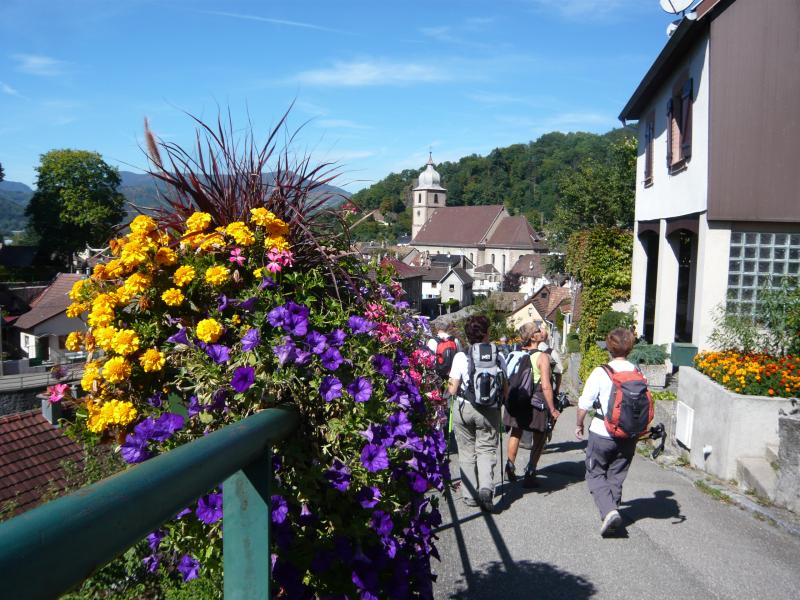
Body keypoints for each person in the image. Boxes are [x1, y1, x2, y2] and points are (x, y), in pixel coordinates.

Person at [575, 327, 639, 537]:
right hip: (628, 434)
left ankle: (609, 511)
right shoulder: (637, 371)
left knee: (594, 472)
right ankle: (611, 512)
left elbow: (584, 403)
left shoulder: (602, 371)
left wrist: (579, 424)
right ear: (630, 347)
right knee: (616, 475)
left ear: (609, 348)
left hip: (602, 432)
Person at [448, 315, 504, 511]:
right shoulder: (498, 355)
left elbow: (452, 389)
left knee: (466, 451)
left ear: (467, 335)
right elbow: (505, 388)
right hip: (489, 411)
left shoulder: (461, 356)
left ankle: (470, 496)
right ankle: (487, 488)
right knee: (486, 449)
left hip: (464, 408)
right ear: (487, 333)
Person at [503, 324, 561, 488]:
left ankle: (510, 464)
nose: (541, 332)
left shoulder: (515, 354)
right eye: (537, 330)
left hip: (518, 400)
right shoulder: (542, 356)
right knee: (539, 436)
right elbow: (546, 386)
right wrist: (552, 408)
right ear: (532, 337)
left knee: (516, 431)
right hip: (536, 402)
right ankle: (530, 472)